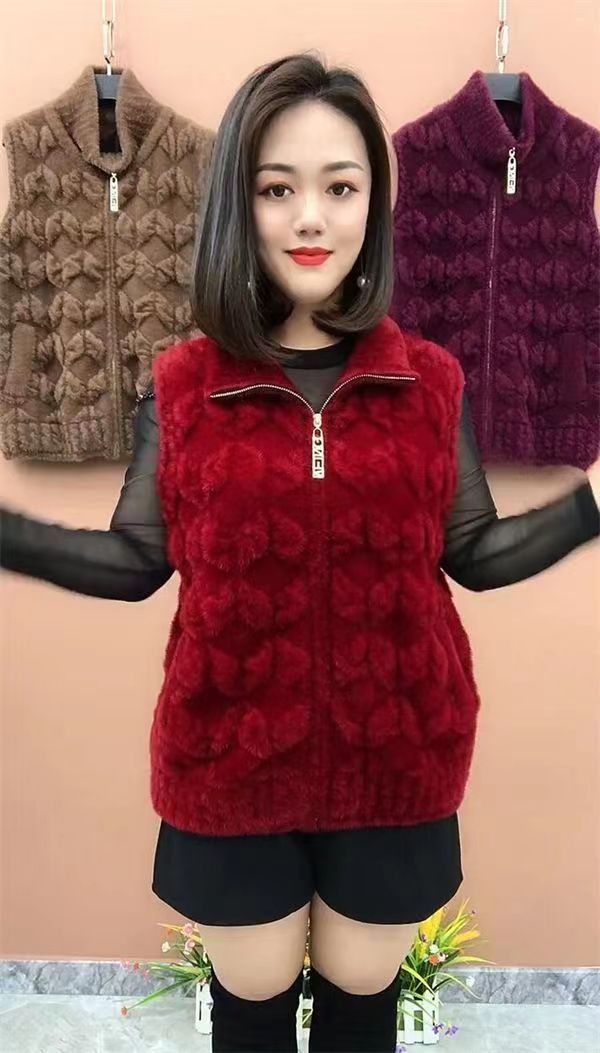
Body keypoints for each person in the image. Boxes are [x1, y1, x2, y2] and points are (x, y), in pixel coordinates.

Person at [1, 53, 599, 1053]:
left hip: (398, 756)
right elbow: (136, 558)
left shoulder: (432, 380)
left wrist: (589, 509)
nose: (310, 218)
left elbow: (475, 547)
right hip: (229, 760)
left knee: (363, 1009)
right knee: (252, 1011)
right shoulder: (183, 385)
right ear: (238, 204)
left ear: (374, 203)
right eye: (277, 189)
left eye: (341, 187)